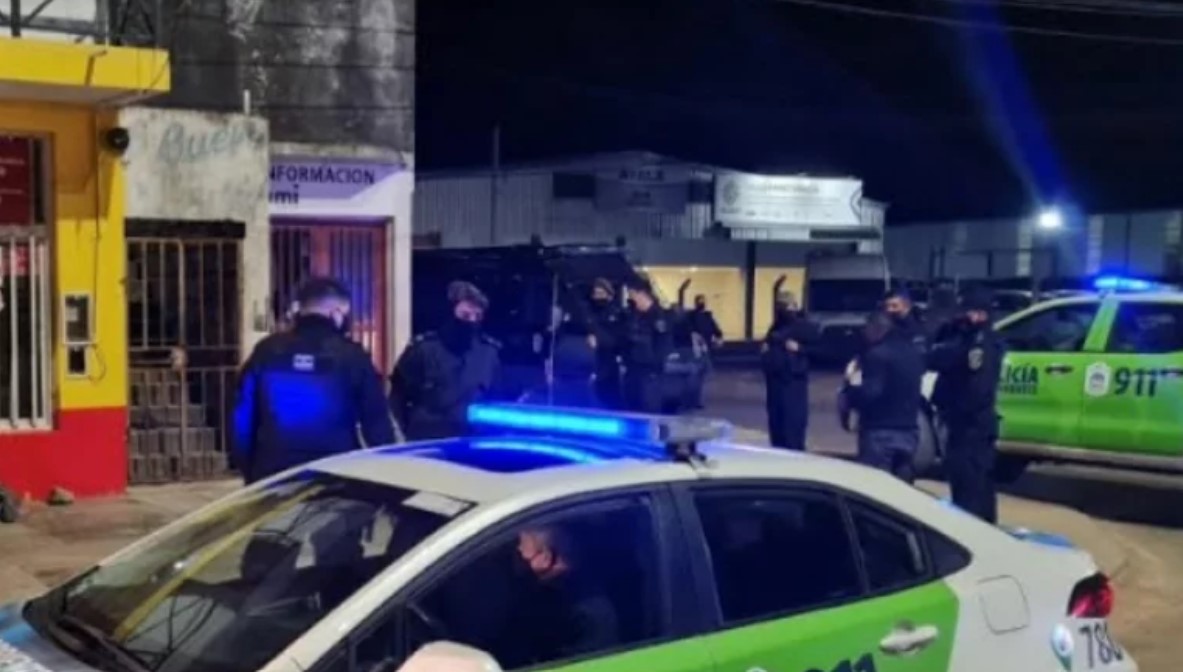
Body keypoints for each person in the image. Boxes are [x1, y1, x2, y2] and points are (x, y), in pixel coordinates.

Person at [232, 278, 395, 484]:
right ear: (336, 312)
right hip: (335, 472)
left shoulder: (267, 350)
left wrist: (248, 468)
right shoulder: (352, 356)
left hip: (272, 470)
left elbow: (242, 415)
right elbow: (376, 421)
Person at [928, 288, 1005, 523]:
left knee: (970, 491)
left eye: (968, 311)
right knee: (972, 486)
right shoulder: (965, 338)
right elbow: (937, 357)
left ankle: (973, 533)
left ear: (981, 314)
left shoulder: (980, 345)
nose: (963, 316)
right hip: (969, 427)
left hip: (970, 427)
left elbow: (977, 390)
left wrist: (955, 410)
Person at [389, 281, 501, 440]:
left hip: (471, 441)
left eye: (477, 316)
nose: (471, 321)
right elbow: (398, 397)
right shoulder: (424, 350)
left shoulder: (488, 354)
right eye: (465, 315)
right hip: (428, 441)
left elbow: (495, 399)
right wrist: (405, 432)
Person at [512, 526, 619, 665]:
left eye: (523, 544)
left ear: (546, 557)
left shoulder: (583, 606)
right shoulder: (555, 587)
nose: (519, 549)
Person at [847, 312, 925, 483]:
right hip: (909, 429)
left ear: (876, 329)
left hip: (880, 430)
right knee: (903, 484)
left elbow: (871, 392)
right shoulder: (913, 353)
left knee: (875, 484)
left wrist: (851, 393)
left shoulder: (877, 355)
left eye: (866, 328)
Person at [761, 291, 819, 451]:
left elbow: (820, 351)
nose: (783, 310)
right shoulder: (776, 326)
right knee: (777, 426)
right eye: (780, 306)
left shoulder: (804, 327)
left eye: (786, 306)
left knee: (792, 426)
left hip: (793, 383)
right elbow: (770, 343)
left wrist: (800, 349)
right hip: (775, 382)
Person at [619, 278, 673, 413]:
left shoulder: (658, 316)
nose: (631, 299)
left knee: (649, 407)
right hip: (633, 368)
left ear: (642, 294)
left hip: (649, 371)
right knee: (632, 405)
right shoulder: (635, 315)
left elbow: (663, 344)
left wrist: (654, 366)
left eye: (632, 295)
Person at [587, 279, 623, 409]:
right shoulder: (591, 313)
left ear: (609, 295)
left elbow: (615, 339)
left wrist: (598, 339)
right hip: (594, 361)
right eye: (596, 294)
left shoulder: (616, 314)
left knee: (608, 396)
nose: (598, 297)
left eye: (601, 293)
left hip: (610, 362)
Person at [687, 294, 724, 409]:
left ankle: (696, 399)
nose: (702, 303)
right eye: (700, 301)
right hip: (696, 349)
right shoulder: (692, 317)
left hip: (704, 349)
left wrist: (718, 337)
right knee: (696, 375)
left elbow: (716, 330)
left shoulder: (706, 317)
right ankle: (694, 399)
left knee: (701, 376)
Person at [884, 287, 928, 356]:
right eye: (886, 306)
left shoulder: (917, 327)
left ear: (907, 304)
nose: (889, 310)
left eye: (894, 306)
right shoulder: (886, 326)